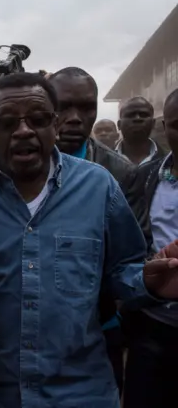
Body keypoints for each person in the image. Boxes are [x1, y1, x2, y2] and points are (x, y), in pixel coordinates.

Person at [0, 72, 178, 407]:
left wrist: (149, 282)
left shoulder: (98, 187)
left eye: (39, 119)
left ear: (54, 125)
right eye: (7, 122)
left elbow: (122, 270)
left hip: (82, 392)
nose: (24, 130)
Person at [48, 66, 136, 393]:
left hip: (97, 330)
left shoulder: (120, 174)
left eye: (86, 108)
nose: (74, 118)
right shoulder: (18, 168)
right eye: (64, 106)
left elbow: (127, 261)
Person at [124, 88, 178, 408]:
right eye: (177, 124)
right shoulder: (145, 178)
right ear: (164, 126)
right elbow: (128, 249)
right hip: (155, 329)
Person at [116, 96, 166, 166]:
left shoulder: (169, 159)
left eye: (144, 115)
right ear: (119, 125)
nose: (137, 119)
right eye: (130, 115)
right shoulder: (103, 160)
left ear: (153, 123)